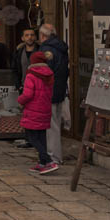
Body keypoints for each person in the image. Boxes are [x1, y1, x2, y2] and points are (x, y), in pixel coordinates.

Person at [18, 51, 58, 174]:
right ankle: (42, 163)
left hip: (33, 109)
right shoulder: (50, 75)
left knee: (31, 137)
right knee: (41, 137)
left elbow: (28, 94)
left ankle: (49, 161)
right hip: (45, 109)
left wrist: (20, 100)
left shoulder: (31, 75)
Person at [39, 23, 70, 165]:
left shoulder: (47, 49)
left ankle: (53, 157)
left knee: (50, 125)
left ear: (43, 35)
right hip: (59, 90)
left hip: (49, 91)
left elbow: (44, 72)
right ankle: (56, 155)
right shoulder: (62, 48)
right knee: (55, 123)